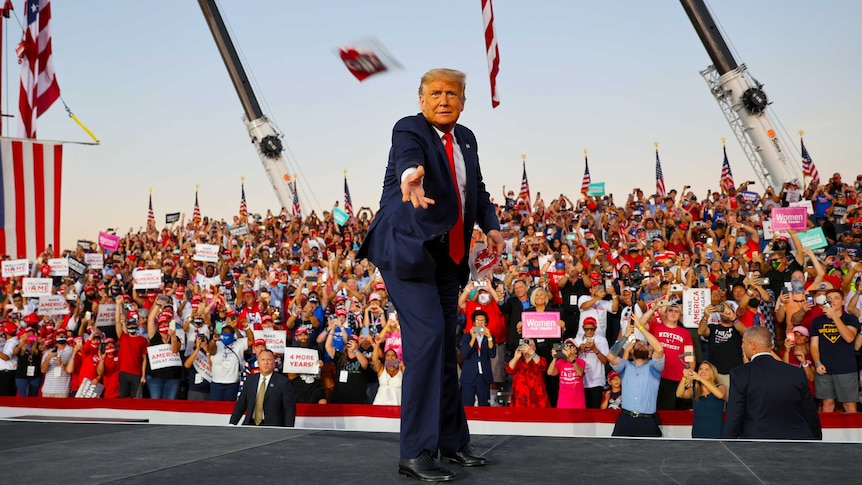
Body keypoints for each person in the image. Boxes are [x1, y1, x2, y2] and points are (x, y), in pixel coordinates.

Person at [358, 68, 501, 480]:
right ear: (422, 100)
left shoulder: (468, 139)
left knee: (443, 345)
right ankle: (416, 452)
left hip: (447, 257)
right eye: (435, 93)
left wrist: (489, 225)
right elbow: (409, 161)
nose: (444, 100)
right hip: (406, 252)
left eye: (452, 94)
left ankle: (452, 442)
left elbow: (476, 191)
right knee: (427, 340)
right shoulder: (409, 129)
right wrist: (411, 176)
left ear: (462, 101)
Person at [724, 327, 821, 440]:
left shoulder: (741, 374)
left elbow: (735, 413)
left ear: (752, 345)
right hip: (795, 441)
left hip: (757, 443)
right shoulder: (796, 373)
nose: (742, 347)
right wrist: (817, 439)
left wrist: (728, 442)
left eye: (743, 343)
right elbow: (809, 411)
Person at [606, 312, 665, 437]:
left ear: (649, 352)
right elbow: (611, 356)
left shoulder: (654, 367)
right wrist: (626, 335)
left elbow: (659, 349)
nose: (641, 344)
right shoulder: (625, 366)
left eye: (644, 344)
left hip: (647, 421)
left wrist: (641, 328)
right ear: (631, 351)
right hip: (625, 419)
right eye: (637, 344)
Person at [810, 288, 860, 413]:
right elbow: (814, 346)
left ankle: (854, 433)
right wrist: (817, 363)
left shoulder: (850, 319)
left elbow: (849, 337)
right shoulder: (817, 321)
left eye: (836, 298)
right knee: (827, 404)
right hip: (824, 369)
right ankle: (826, 433)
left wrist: (834, 317)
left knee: (849, 405)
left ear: (843, 302)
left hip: (846, 369)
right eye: (829, 299)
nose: (832, 301)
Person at [229, 349, 296, 427]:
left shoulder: (283, 382)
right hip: (250, 425)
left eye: (269, 360)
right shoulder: (250, 380)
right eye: (263, 360)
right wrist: (232, 424)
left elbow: (289, 409)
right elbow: (241, 404)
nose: (266, 363)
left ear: (274, 362)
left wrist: (288, 429)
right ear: (258, 362)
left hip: (273, 427)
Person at [676, 361, 726, 439]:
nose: (703, 371)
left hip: (716, 433)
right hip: (698, 433)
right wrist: (684, 377)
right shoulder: (695, 391)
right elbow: (679, 394)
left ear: (712, 373)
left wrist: (700, 378)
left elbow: (720, 395)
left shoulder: (720, 387)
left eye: (707, 369)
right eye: (700, 369)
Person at [459, 310, 496, 406]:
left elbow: (492, 354)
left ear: (486, 323)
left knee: (484, 405)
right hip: (469, 375)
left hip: (483, 376)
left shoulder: (490, 337)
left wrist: (489, 338)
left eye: (482, 321)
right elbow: (465, 354)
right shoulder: (466, 337)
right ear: (474, 323)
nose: (480, 323)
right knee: (467, 405)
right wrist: (473, 338)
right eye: (478, 321)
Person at [506, 338, 550, 408]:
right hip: (520, 399)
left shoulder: (539, 359)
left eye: (530, 345)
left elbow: (542, 365)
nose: (527, 347)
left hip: (537, 399)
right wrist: (516, 357)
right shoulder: (518, 362)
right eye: (525, 344)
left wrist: (532, 353)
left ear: (534, 348)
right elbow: (509, 369)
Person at [547, 338, 586, 409]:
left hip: (577, 401)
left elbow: (580, 373)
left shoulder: (580, 361)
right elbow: (550, 372)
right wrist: (555, 358)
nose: (568, 348)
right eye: (566, 346)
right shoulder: (560, 362)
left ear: (576, 350)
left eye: (571, 346)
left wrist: (572, 360)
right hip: (563, 401)